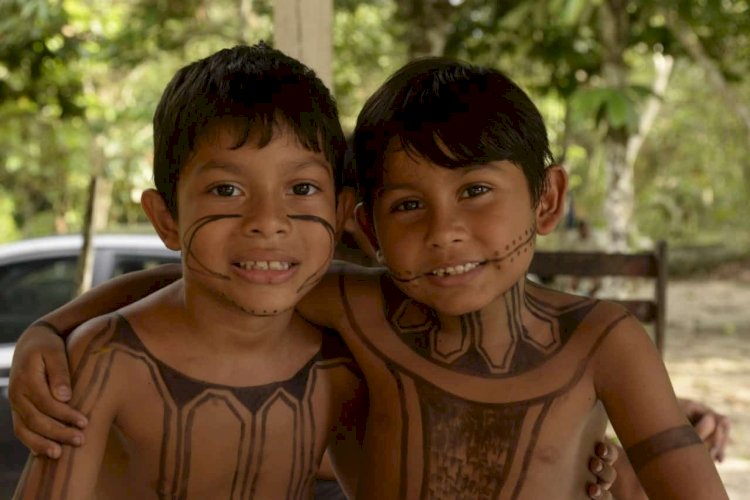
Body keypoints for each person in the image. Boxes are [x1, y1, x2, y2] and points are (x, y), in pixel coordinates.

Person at [16, 56, 716, 499]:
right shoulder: (358, 311)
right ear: (369, 229)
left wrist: (625, 459)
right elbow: (215, 286)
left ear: (548, 199)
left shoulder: (602, 341)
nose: (444, 231)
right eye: (409, 206)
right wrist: (54, 330)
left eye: (475, 190)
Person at [12, 43, 368, 499]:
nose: (267, 220)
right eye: (226, 189)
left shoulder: (341, 364)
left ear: (339, 214)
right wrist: (48, 329)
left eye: (301, 187)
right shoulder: (108, 360)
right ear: (166, 220)